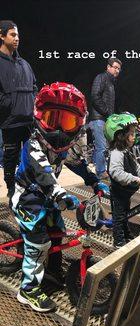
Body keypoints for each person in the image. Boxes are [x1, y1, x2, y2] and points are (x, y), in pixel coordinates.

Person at [11, 82, 109, 313]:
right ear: (38, 117)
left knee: (59, 231)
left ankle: (53, 272)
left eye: (67, 122)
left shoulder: (65, 148)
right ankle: (28, 289)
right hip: (29, 201)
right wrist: (61, 194)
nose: (58, 130)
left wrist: (93, 180)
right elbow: (43, 173)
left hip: (49, 200)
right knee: (39, 243)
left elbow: (77, 164)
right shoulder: (32, 145)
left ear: (78, 125)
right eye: (52, 119)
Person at [0, 20, 37, 200]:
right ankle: (11, 190)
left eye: (18, 36)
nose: (16, 39)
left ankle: (29, 187)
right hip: (10, 121)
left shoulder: (25, 64)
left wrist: (32, 104)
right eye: (12, 35)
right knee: (10, 159)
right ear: (1, 36)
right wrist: (8, 104)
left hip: (29, 120)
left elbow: (34, 86)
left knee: (31, 158)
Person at [105, 113, 140, 248]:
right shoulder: (116, 152)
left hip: (126, 192)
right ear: (120, 136)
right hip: (119, 192)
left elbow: (135, 166)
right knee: (119, 217)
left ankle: (126, 234)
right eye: (131, 134)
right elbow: (116, 172)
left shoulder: (126, 151)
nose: (134, 137)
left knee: (125, 215)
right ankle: (118, 241)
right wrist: (135, 179)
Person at [90, 57, 122, 179]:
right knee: (101, 147)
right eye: (115, 67)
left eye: (119, 69)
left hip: (106, 119)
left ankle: (104, 169)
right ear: (108, 67)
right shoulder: (101, 77)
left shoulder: (111, 83)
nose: (117, 70)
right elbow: (95, 96)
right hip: (98, 118)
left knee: (107, 147)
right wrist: (107, 112)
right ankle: (100, 171)